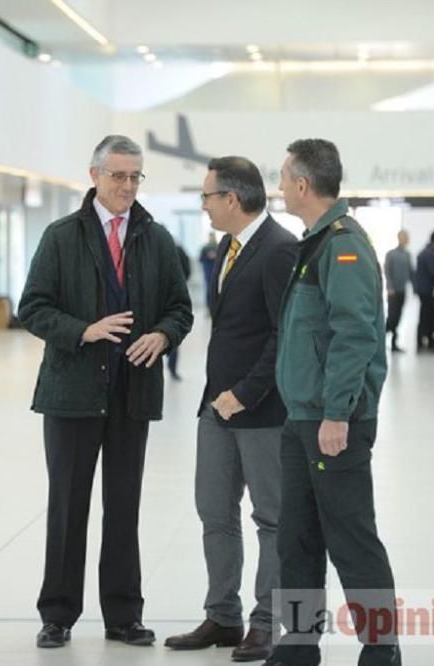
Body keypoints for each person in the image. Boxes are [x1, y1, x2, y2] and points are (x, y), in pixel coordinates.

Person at [18, 135, 193, 649]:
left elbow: (179, 309)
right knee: (68, 506)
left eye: (135, 176)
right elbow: (32, 307)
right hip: (72, 393)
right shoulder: (61, 236)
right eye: (118, 175)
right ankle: (58, 614)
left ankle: (123, 615)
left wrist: (163, 335)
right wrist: (83, 330)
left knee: (124, 506)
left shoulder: (156, 239)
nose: (127, 186)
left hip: (130, 394)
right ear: (93, 175)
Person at [267, 139, 400, 666]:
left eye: (282, 178)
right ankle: (299, 646)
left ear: (302, 185)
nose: (278, 187)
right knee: (295, 539)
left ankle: (381, 648)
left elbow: (354, 334)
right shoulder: (316, 241)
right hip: (300, 417)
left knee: (350, 537)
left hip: (331, 420)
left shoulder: (343, 245)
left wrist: (337, 413)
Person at [163, 157, 295, 662]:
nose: (205, 205)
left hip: (261, 410)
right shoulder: (228, 246)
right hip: (216, 407)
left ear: (233, 199)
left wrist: (246, 392)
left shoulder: (280, 249)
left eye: (208, 196)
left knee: (271, 519)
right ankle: (223, 616)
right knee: (215, 512)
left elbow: (285, 336)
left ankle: (266, 623)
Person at [383, 230, 413, 353]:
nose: (406, 239)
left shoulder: (407, 255)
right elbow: (387, 271)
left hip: (402, 290)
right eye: (404, 237)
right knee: (392, 317)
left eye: (407, 237)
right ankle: (380, 337)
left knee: (399, 316)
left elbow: (411, 272)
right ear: (399, 238)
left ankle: (394, 344)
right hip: (393, 291)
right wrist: (390, 287)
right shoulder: (391, 254)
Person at [166, 243, 192, 381]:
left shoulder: (173, 249)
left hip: (164, 297)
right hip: (173, 295)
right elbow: (187, 269)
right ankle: (172, 369)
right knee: (170, 334)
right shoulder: (177, 248)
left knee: (169, 333)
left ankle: (172, 368)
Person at [414, 230, 434, 352]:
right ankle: (424, 342)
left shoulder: (423, 252)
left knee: (425, 315)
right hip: (427, 290)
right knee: (427, 316)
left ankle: (422, 341)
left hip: (422, 289)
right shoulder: (430, 253)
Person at [199, 232, 219, 315]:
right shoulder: (205, 248)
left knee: (217, 290)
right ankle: (208, 308)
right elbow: (200, 259)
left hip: (217, 273)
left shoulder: (219, 247)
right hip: (208, 272)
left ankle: (216, 308)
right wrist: (209, 256)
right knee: (208, 290)